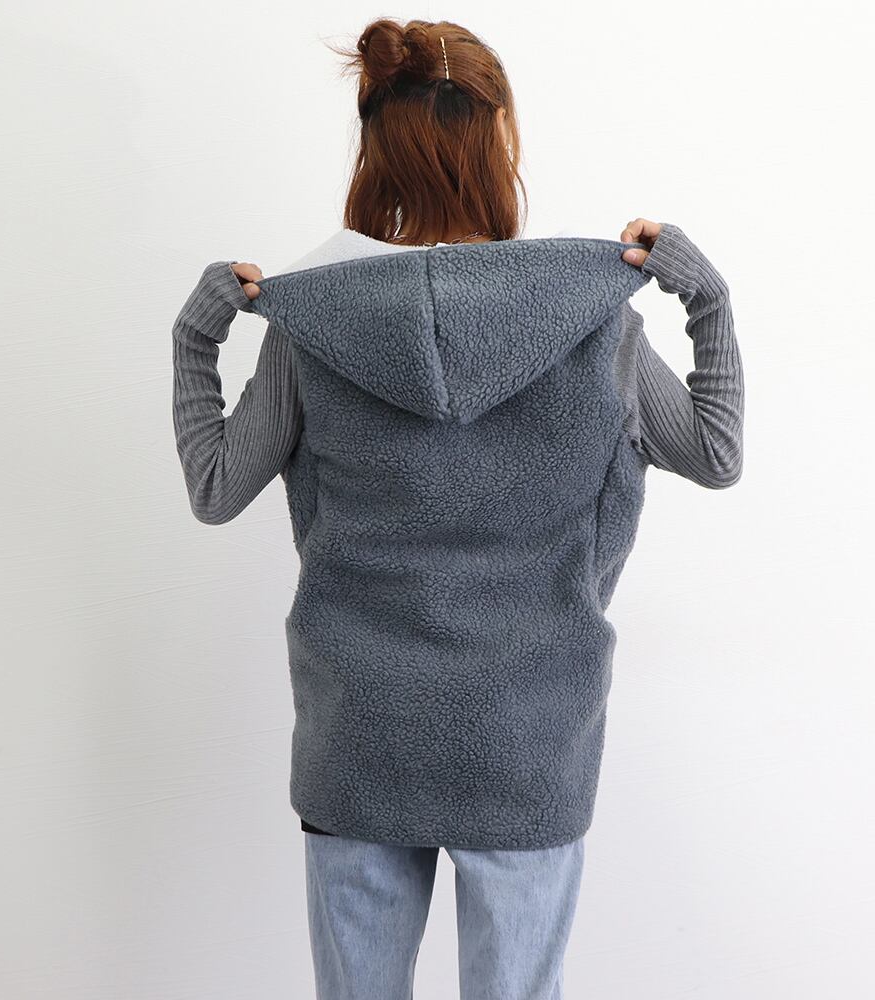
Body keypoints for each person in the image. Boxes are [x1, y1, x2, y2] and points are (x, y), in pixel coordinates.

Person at [171, 16, 744, 1000]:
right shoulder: (594, 325)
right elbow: (715, 454)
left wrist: (197, 336)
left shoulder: (311, 325)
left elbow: (216, 488)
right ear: (499, 142)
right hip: (529, 742)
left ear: (374, 149)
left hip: (359, 738)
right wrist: (706, 299)